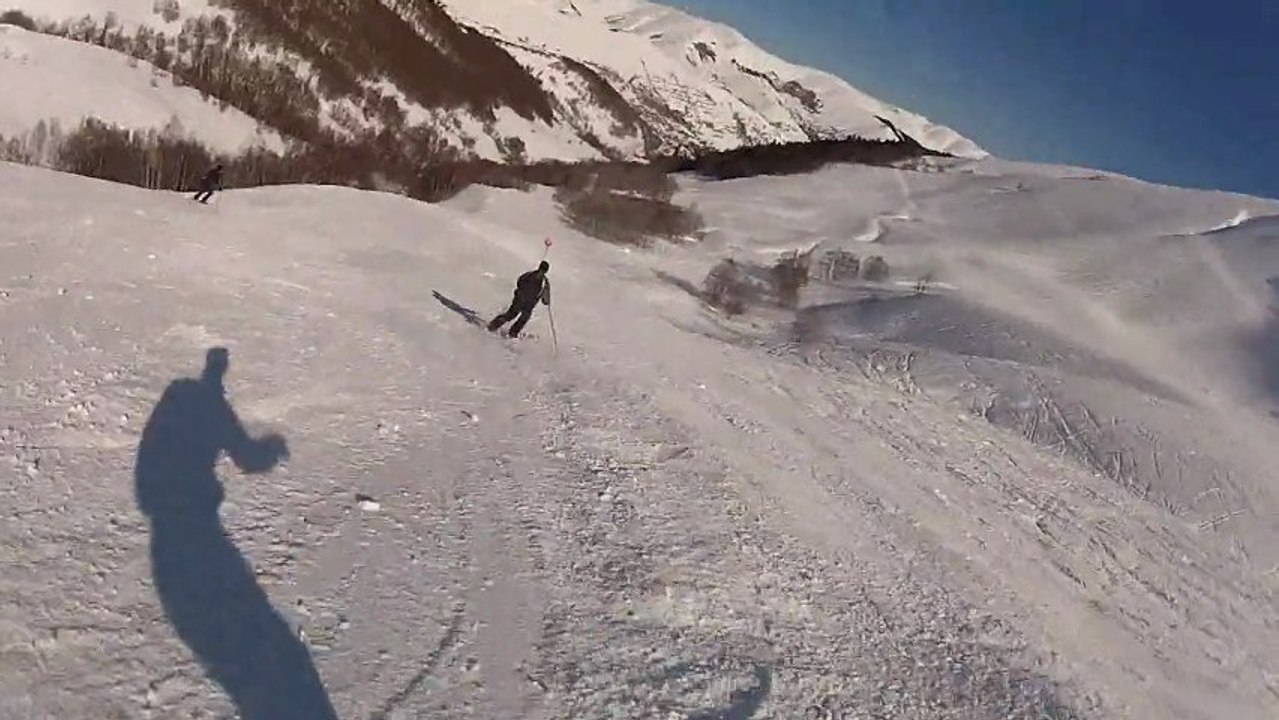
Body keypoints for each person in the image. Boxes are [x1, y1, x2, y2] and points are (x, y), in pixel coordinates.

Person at [488, 260, 550, 338]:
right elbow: (519, 282)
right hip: (520, 300)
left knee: (523, 318)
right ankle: (493, 326)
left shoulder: (544, 283)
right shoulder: (530, 276)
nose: (541, 273)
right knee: (511, 314)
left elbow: (545, 301)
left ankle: (512, 333)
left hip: (529, 304)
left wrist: (546, 293)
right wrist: (521, 293)